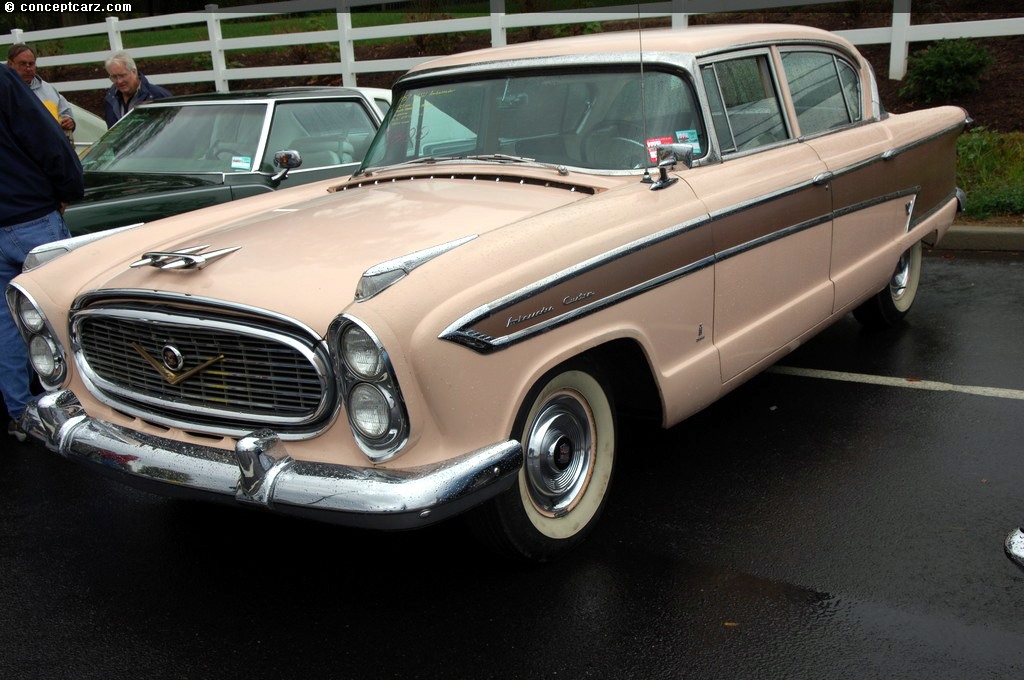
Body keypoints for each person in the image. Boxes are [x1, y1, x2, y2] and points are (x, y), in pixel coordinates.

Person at [0, 66, 84, 442]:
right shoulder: (3, 81)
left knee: (4, 322)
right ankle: (80, 407)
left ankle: (19, 411)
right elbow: (44, 135)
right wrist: (69, 186)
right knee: (62, 312)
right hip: (29, 213)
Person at [6, 43, 76, 143]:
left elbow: (65, 113)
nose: (28, 68)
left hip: (52, 149)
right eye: (22, 64)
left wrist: (69, 121)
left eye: (31, 64)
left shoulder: (48, 89)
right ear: (10, 64)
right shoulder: (5, 91)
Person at [102, 50, 171, 128]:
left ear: (134, 72)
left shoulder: (158, 96)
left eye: (122, 75)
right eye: (114, 77)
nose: (119, 81)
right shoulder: (110, 99)